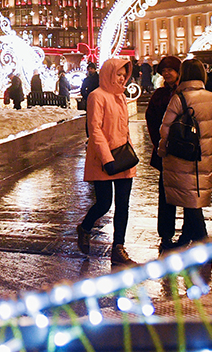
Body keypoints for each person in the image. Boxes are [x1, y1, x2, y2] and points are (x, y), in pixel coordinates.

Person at [158, 59, 212, 246]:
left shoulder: (179, 98)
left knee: (189, 199)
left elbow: (165, 129)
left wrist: (162, 150)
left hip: (182, 156)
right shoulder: (211, 97)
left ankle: (202, 240)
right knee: (194, 196)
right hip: (204, 157)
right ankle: (187, 236)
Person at [76, 57, 136, 266]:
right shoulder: (97, 96)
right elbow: (95, 130)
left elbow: (123, 128)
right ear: (109, 74)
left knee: (123, 205)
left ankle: (118, 248)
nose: (121, 78)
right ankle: (85, 227)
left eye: (123, 75)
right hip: (103, 159)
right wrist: (107, 158)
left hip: (123, 158)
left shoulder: (121, 97)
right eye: (118, 74)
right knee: (103, 203)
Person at [145, 55, 183, 250]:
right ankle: (166, 234)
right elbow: (151, 119)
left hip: (185, 152)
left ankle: (189, 231)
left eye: (171, 69)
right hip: (166, 152)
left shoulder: (185, 92)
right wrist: (159, 143)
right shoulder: (159, 95)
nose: (167, 73)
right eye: (164, 70)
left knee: (188, 193)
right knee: (166, 194)